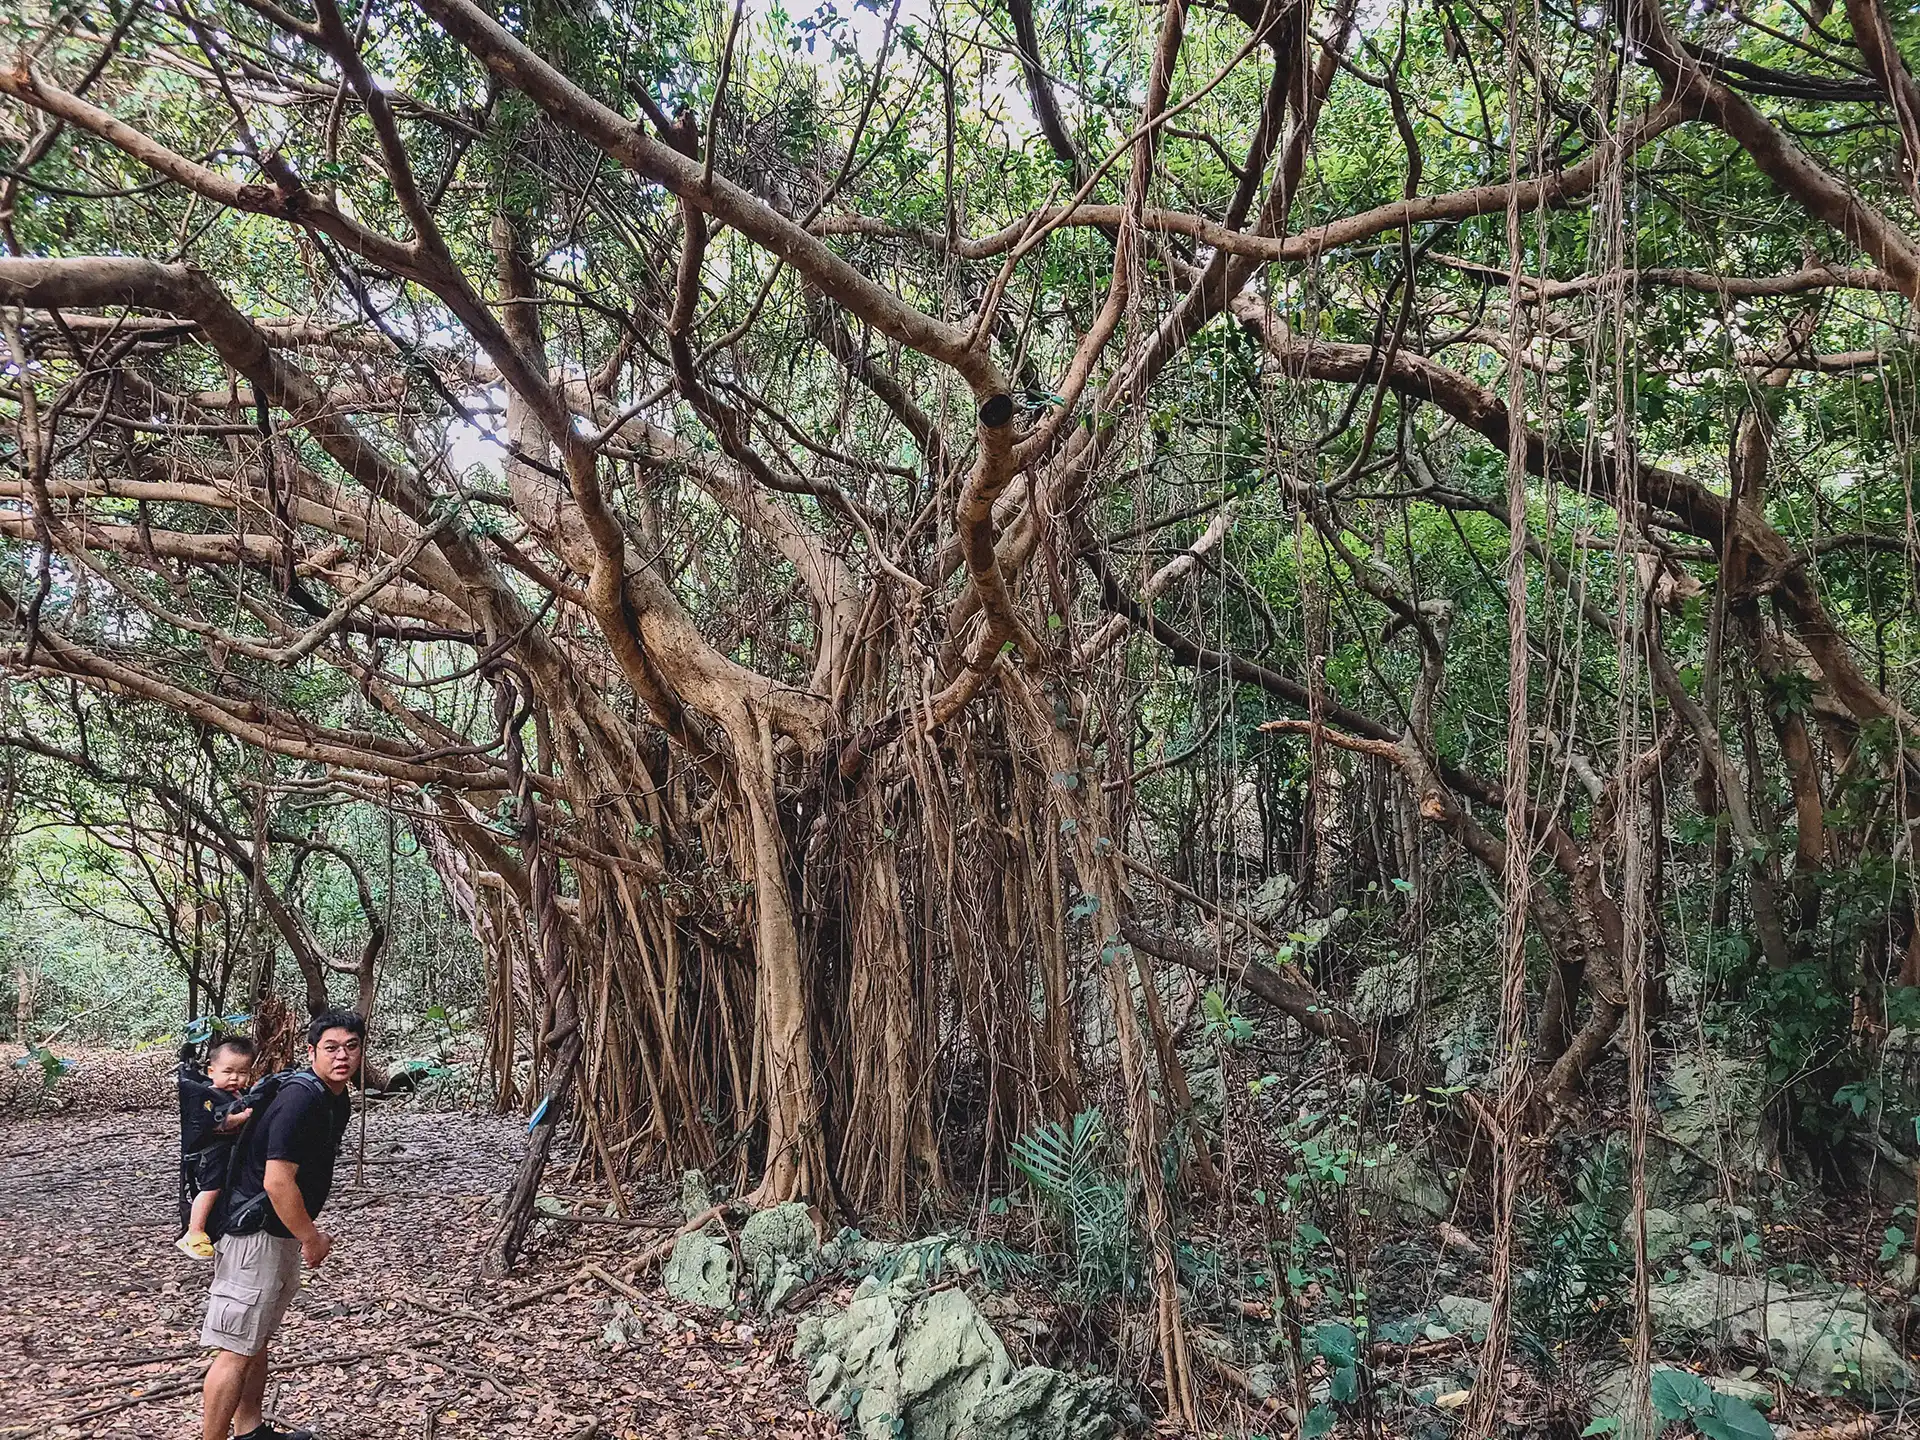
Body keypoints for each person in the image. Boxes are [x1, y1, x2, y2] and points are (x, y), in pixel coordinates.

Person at [200, 1009, 362, 1440]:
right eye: (330, 1048)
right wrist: (311, 1237)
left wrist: (300, 1231)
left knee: (257, 1336)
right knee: (235, 1349)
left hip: (279, 1230)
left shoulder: (334, 1097)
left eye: (351, 1046)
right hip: (254, 1233)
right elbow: (276, 1180)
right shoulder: (301, 1099)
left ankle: (250, 1430)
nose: (341, 1056)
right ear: (312, 1052)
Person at [177, 1036, 257, 1260]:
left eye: (242, 1073)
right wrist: (245, 1116)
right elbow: (220, 1123)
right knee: (211, 1189)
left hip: (228, 1155)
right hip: (210, 1156)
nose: (235, 1078)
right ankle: (194, 1232)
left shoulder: (237, 1094)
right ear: (212, 1071)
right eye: (228, 1071)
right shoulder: (209, 1097)